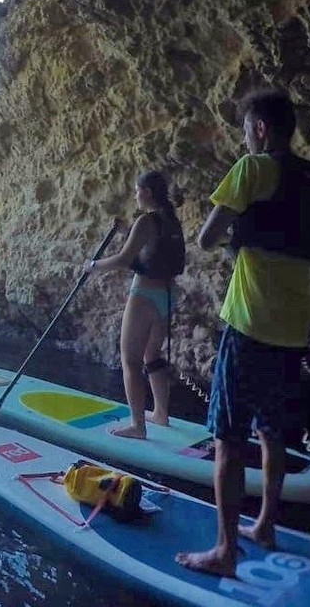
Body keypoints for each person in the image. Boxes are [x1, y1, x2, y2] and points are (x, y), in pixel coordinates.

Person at [176, 88, 310, 577]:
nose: (245, 137)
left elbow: (206, 239)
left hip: (249, 329)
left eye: (246, 128)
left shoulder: (252, 170)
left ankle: (225, 551)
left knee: (228, 440)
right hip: (295, 336)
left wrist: (241, 229)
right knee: (272, 436)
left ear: (262, 129)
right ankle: (265, 525)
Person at [83, 171, 185, 439]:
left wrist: (93, 266)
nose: (135, 195)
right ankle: (160, 414)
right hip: (166, 295)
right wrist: (126, 230)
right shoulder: (171, 220)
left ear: (147, 192)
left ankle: (138, 427)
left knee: (130, 360)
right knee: (152, 356)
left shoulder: (146, 220)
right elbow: (152, 246)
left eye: (137, 190)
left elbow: (124, 259)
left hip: (144, 295)